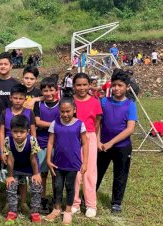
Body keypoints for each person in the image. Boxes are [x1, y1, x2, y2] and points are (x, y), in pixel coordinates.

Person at [97, 69, 137, 214]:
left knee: (120, 174)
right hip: (102, 146)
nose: (116, 88)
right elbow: (98, 124)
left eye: (120, 85)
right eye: (114, 85)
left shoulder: (130, 105)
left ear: (127, 87)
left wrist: (111, 143)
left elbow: (130, 129)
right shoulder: (104, 102)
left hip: (122, 147)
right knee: (97, 172)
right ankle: (88, 197)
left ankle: (116, 202)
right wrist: (97, 140)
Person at [45, 95, 89, 225]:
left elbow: (85, 144)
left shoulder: (80, 125)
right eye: (62, 111)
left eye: (68, 111)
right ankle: (57, 209)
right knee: (58, 186)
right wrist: (48, 160)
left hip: (73, 164)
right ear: (59, 111)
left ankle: (68, 211)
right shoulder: (55, 124)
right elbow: (50, 143)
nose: (65, 114)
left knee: (70, 187)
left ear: (74, 110)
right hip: (57, 164)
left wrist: (85, 162)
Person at [0, 84, 36, 213]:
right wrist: (2, 150)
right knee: (10, 176)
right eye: (15, 98)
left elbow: (32, 131)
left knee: (23, 177)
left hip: (25, 150)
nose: (18, 101)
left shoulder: (29, 112)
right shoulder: (5, 112)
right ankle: (9, 202)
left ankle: (24, 202)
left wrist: (33, 149)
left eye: (21, 98)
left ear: (25, 99)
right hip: (10, 149)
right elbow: (2, 132)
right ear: (11, 98)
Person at [71, 73, 102, 218]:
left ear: (89, 85)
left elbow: (96, 123)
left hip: (89, 137)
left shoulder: (95, 102)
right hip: (72, 138)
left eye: (85, 84)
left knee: (89, 172)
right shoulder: (70, 101)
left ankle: (91, 204)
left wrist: (95, 139)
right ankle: (75, 203)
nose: (82, 88)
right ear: (73, 86)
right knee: (75, 172)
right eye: (78, 85)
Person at [4, 115, 42, 223]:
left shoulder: (32, 140)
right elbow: (10, 160)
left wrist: (36, 174)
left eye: (22, 131)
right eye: (15, 131)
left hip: (31, 167)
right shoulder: (8, 140)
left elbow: (33, 159)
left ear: (28, 131)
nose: (19, 135)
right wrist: (10, 176)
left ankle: (35, 212)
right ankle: (12, 212)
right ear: (11, 131)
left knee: (36, 185)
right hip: (15, 167)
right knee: (10, 185)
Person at [34, 77, 60, 212]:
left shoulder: (61, 104)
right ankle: (42, 198)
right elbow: (37, 122)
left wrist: (51, 126)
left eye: (51, 90)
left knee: (56, 173)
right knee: (42, 173)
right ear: (41, 91)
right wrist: (56, 125)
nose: (48, 93)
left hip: (58, 144)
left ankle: (57, 199)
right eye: (45, 90)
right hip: (42, 143)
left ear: (56, 90)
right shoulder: (38, 105)